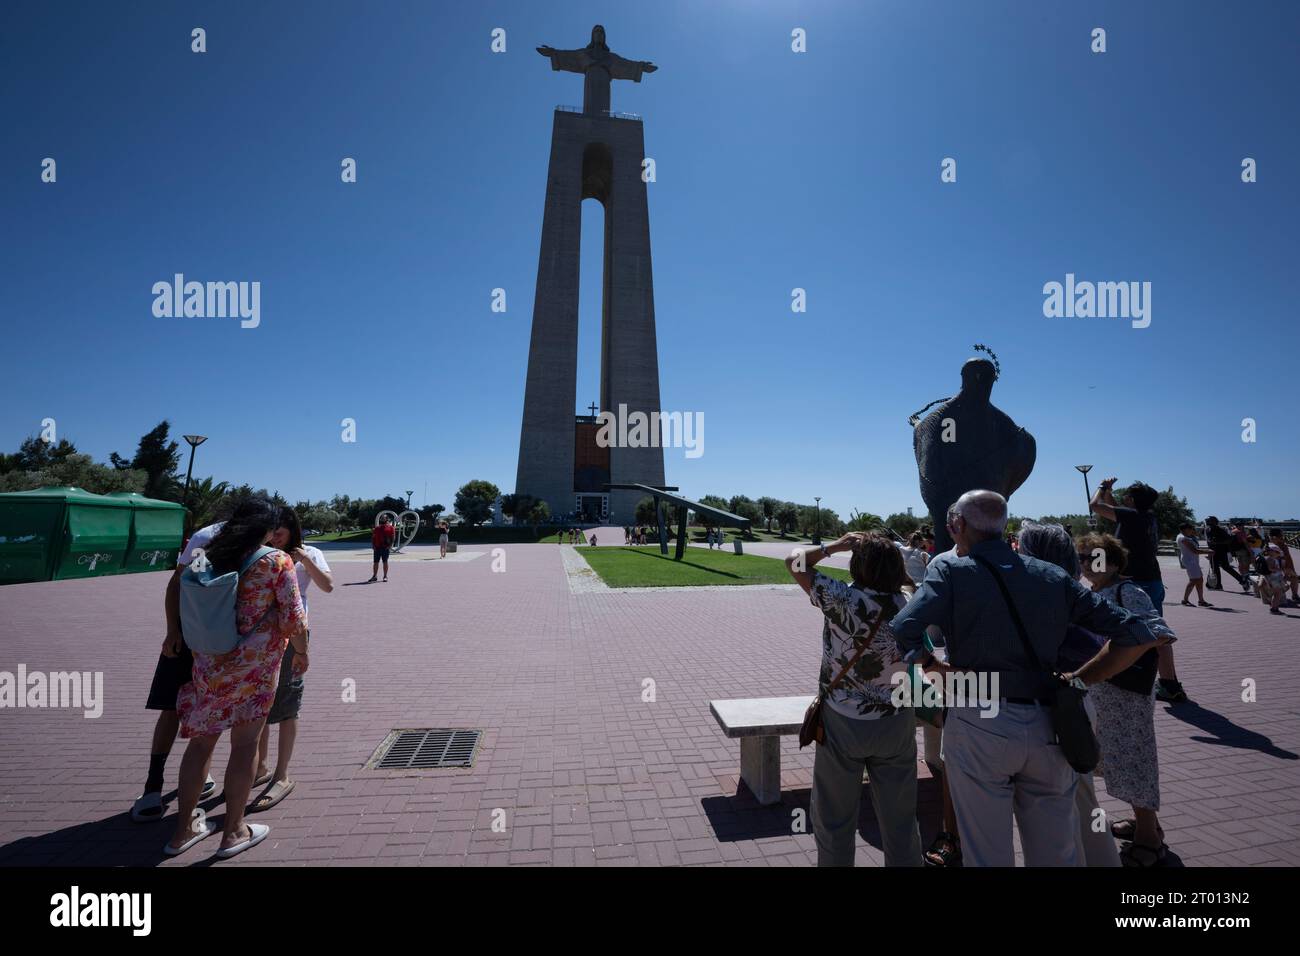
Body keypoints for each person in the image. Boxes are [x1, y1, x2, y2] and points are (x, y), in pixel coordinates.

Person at [892, 490, 1164, 867]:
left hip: (979, 714)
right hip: (1047, 719)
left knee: (987, 852)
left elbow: (904, 627)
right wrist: (1080, 681)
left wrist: (930, 663)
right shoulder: (1051, 575)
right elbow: (1138, 634)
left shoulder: (950, 569)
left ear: (957, 526)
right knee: (1057, 850)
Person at [165, 498, 307, 859]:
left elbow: (181, 592)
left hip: (209, 663)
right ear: (266, 528)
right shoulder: (276, 560)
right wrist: (303, 651)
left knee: (200, 746)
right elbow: (293, 619)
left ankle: (181, 832)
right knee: (245, 746)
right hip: (254, 670)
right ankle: (234, 831)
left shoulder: (207, 554)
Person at [784, 531, 922, 867]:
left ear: (857, 565)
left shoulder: (841, 599)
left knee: (834, 818)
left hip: (842, 721)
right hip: (896, 721)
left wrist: (835, 546)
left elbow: (793, 561)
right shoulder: (912, 606)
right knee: (901, 818)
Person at [1015, 521, 1120, 867]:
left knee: (1057, 812)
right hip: (1076, 702)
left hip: (1052, 708)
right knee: (1083, 798)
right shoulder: (1077, 593)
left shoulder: (1044, 596)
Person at [1077, 532, 1176, 867]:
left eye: (1095, 558)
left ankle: (1149, 840)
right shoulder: (1092, 594)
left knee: (1134, 760)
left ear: (1115, 562)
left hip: (1126, 696)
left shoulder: (1126, 592)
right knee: (1116, 760)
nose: (1088, 565)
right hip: (1104, 695)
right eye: (1083, 558)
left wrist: (1115, 652)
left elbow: (1159, 632)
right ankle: (1147, 824)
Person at [131, 512, 233, 821]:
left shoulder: (248, 540)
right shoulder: (207, 539)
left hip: (217, 641)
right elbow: (181, 583)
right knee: (174, 708)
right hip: (194, 639)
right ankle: (153, 785)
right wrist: (173, 631)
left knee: (206, 710)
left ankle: (191, 776)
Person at [251, 507, 333, 813]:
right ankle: (260, 767)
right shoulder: (260, 554)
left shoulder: (309, 552)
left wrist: (305, 560)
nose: (274, 539)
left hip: (294, 636)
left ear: (292, 531)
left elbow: (327, 585)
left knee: (286, 704)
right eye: (271, 534)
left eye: (280, 534)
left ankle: (282, 774)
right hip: (257, 640)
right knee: (259, 705)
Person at [1090, 478, 1187, 704]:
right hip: (1152, 579)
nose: (1123, 499)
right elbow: (1116, 508)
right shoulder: (1147, 517)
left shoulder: (1132, 517)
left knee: (1118, 629)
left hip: (1133, 584)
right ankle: (1170, 684)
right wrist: (1111, 493)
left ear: (1132, 500)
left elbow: (1095, 506)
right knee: (1157, 631)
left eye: (1127, 496)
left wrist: (1102, 487)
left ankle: (1116, 674)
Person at [1204, 517, 1249, 592]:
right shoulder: (1208, 529)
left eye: (1209, 522)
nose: (1208, 523)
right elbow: (1210, 541)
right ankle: (1218, 584)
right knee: (1215, 568)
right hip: (1213, 551)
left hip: (1221, 551)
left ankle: (1242, 581)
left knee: (1225, 567)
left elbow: (1229, 539)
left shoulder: (1220, 530)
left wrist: (1217, 542)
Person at [1175, 522, 1212, 607]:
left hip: (1193, 560)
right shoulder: (1182, 538)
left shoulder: (1188, 537)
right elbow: (1194, 551)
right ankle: (1185, 599)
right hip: (1190, 561)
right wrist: (1208, 552)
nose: (1192, 531)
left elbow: (1195, 548)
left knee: (1199, 580)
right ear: (1185, 529)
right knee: (1194, 580)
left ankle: (1200, 600)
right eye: (1190, 529)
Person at [369, 515, 395, 582]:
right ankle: (374, 576)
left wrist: (390, 546)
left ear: (387, 519)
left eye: (384, 518)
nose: (382, 519)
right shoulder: (377, 528)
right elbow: (373, 537)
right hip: (377, 547)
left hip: (385, 548)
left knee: (385, 562)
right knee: (375, 562)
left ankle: (385, 576)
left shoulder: (391, 528)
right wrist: (373, 546)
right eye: (382, 518)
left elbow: (393, 538)